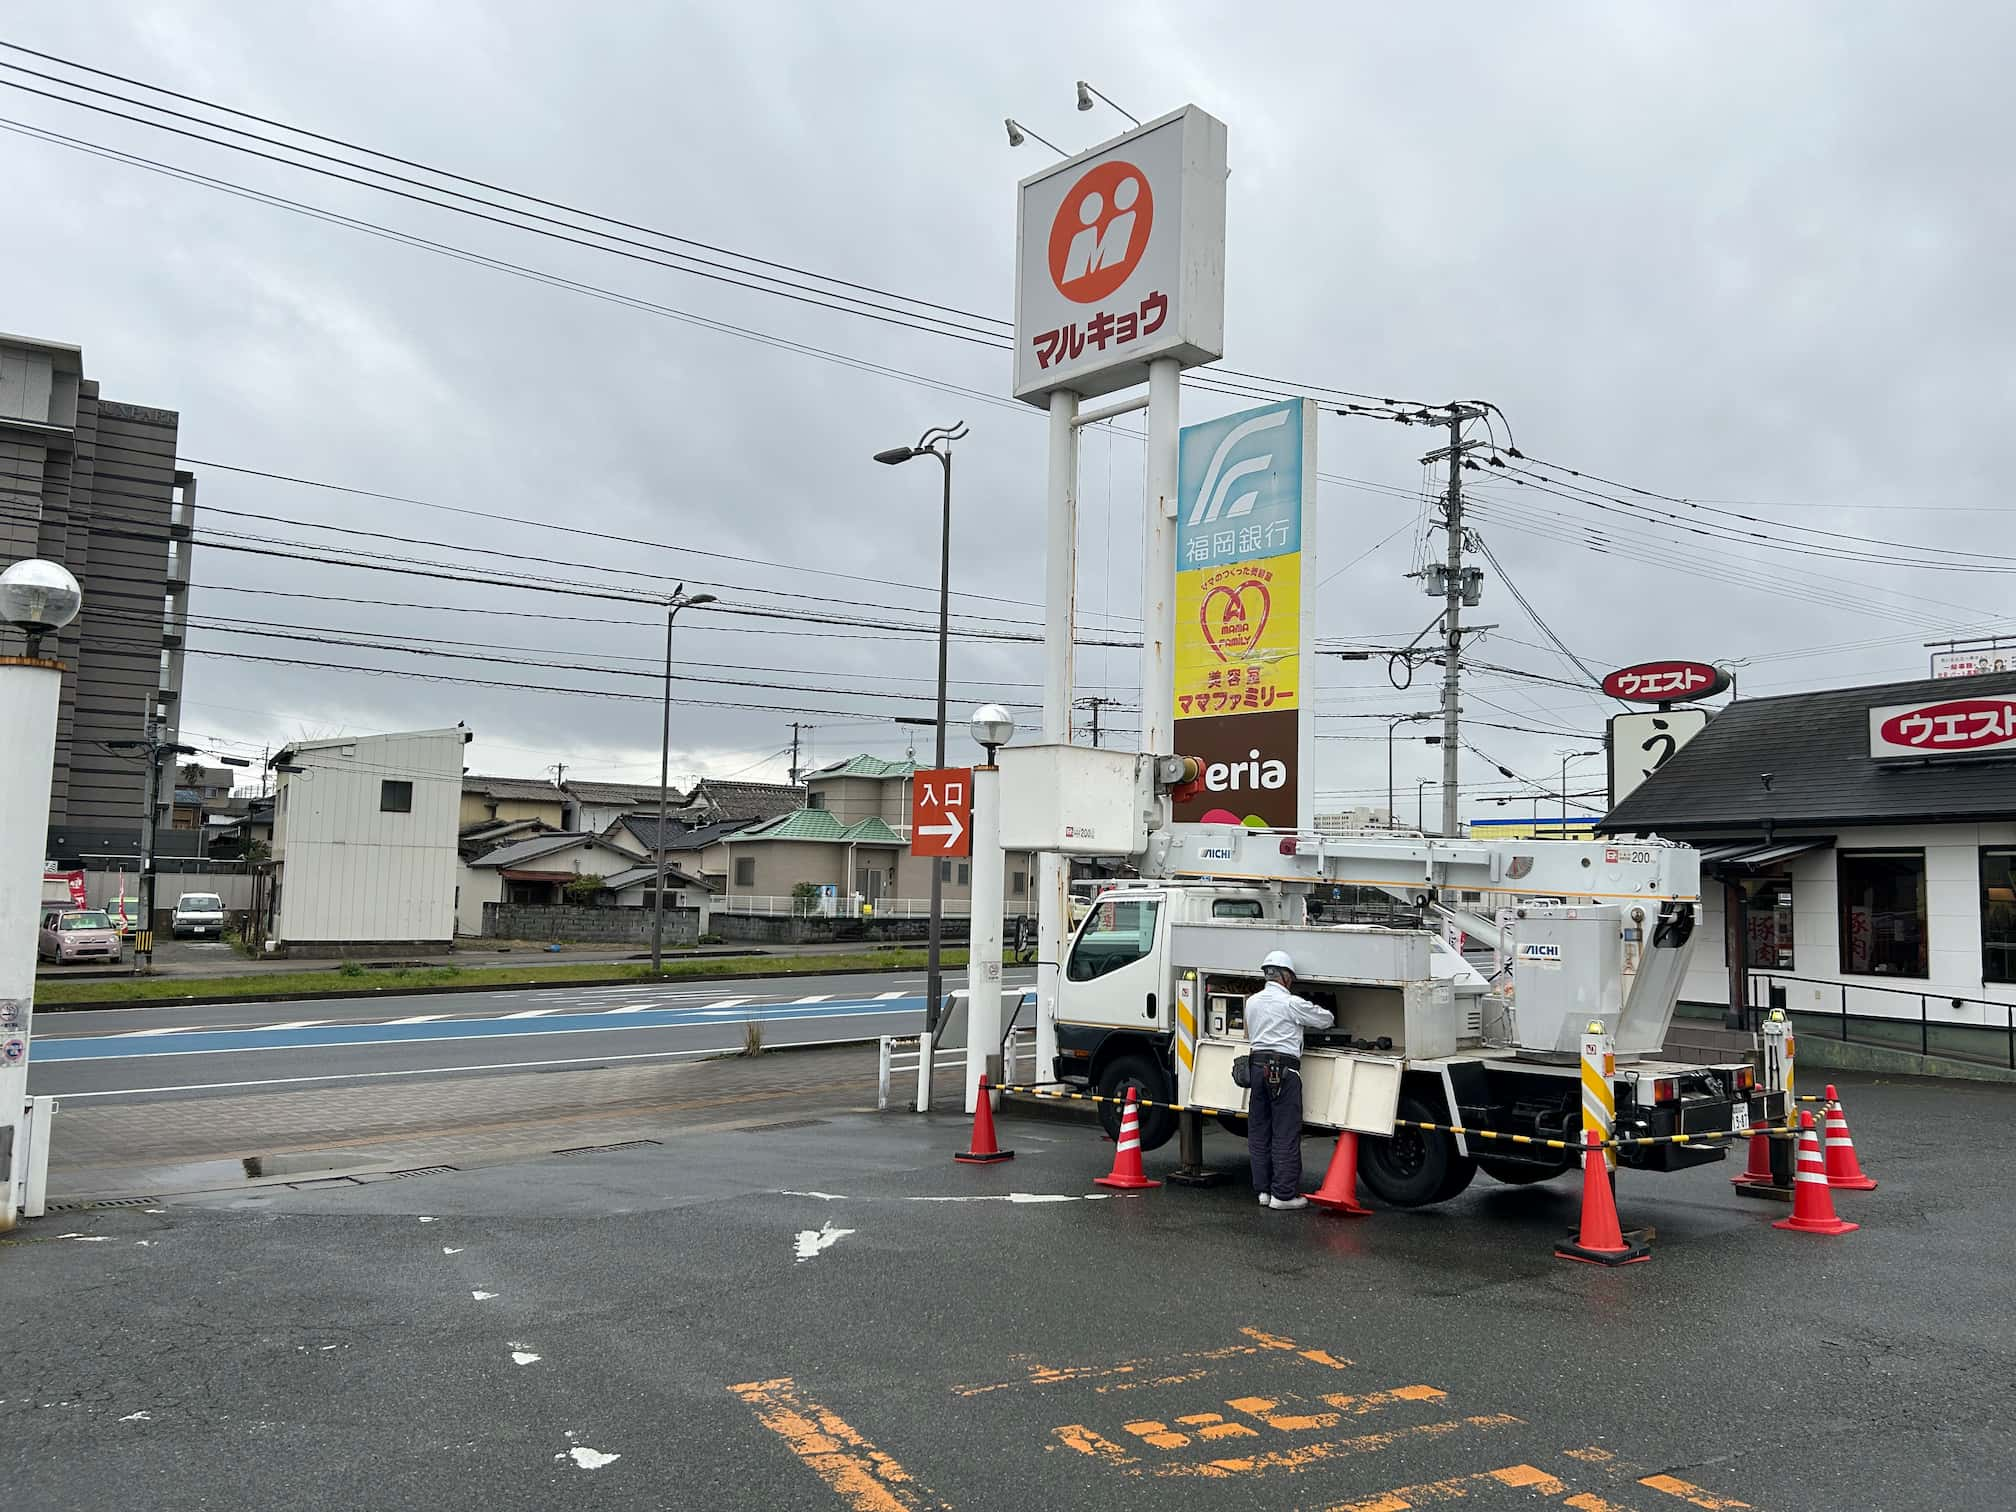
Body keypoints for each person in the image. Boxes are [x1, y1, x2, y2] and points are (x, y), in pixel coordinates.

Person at [1245, 949, 1333, 1210]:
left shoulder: (1251, 1002)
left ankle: (1263, 1191)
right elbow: (1326, 1020)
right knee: (1284, 1132)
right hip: (1284, 1072)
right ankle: (1283, 1195)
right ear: (1284, 977)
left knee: (1259, 1132)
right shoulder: (1291, 1003)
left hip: (1256, 1068)